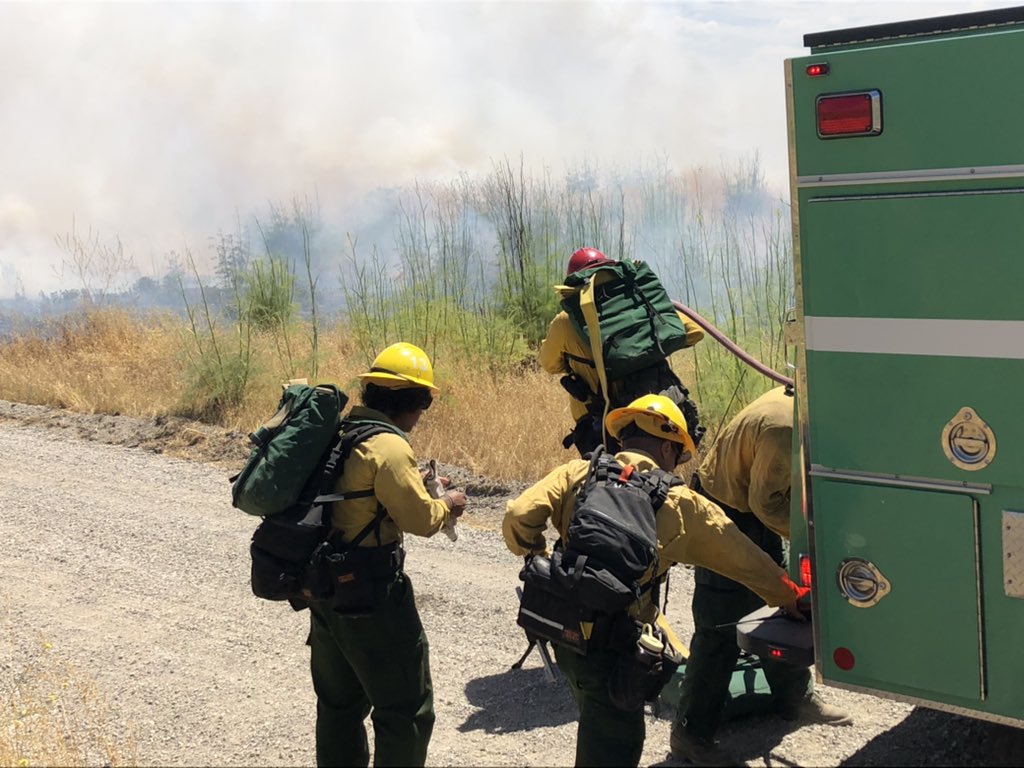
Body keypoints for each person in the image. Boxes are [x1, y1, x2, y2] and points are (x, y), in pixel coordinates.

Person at [502, 394, 807, 768]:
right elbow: (746, 561)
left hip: (563, 627)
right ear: (666, 447)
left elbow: (518, 514)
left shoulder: (579, 472)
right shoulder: (683, 505)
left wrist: (536, 556)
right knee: (615, 739)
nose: (677, 465)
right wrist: (791, 596)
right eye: (678, 456)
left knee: (594, 711)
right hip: (616, 642)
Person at [670, 385, 851, 768]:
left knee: (783, 600)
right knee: (721, 623)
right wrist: (812, 539)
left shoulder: (805, 405)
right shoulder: (785, 430)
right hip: (725, 509)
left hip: (755, 501)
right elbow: (764, 502)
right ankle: (691, 733)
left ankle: (795, 698)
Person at [306, 341, 468, 767]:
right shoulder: (390, 448)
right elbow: (421, 521)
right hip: (371, 593)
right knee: (407, 710)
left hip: (323, 586)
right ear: (413, 401)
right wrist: (448, 502)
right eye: (424, 403)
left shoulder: (341, 433)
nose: (422, 414)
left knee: (338, 705)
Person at [538, 247, 706, 457]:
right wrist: (648, 345)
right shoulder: (637, 302)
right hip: (656, 414)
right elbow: (695, 331)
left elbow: (549, 364)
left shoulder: (565, 321)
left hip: (600, 426)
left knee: (607, 485)